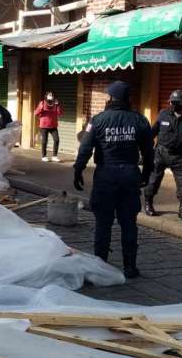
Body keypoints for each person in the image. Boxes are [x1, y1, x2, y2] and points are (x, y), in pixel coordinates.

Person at [73, 81, 153, 278]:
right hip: (129, 175)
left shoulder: (98, 120)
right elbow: (149, 153)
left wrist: (78, 170)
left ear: (110, 98)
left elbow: (85, 148)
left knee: (103, 223)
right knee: (129, 223)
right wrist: (146, 174)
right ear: (128, 99)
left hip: (106, 176)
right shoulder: (140, 120)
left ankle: (100, 266)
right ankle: (130, 267)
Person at [143, 90, 182, 222]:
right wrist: (146, 149)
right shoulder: (163, 114)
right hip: (161, 153)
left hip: (181, 157)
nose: (172, 104)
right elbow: (153, 132)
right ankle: (148, 204)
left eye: (175, 102)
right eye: (171, 102)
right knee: (153, 180)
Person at [34, 92, 63, 162]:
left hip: (53, 125)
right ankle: (44, 156)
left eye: (52, 95)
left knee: (56, 140)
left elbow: (60, 113)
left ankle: (54, 156)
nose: (51, 97)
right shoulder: (42, 103)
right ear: (46, 96)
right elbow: (36, 113)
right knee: (44, 141)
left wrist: (58, 105)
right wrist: (40, 108)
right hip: (44, 126)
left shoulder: (55, 104)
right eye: (49, 95)